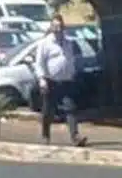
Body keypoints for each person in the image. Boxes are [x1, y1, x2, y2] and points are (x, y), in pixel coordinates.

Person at [34, 13, 87, 147]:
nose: (58, 29)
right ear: (51, 27)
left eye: (60, 26)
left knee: (70, 108)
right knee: (48, 111)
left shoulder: (68, 42)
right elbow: (39, 63)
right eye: (55, 26)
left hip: (66, 81)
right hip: (50, 81)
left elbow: (71, 59)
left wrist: (73, 72)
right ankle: (45, 135)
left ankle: (75, 137)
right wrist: (42, 79)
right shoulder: (44, 43)